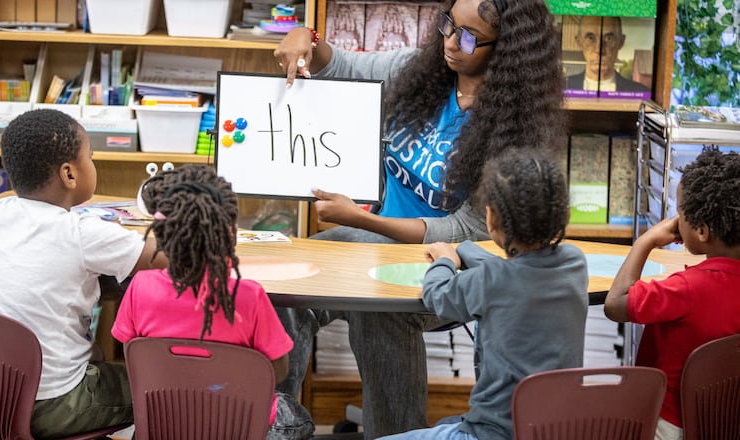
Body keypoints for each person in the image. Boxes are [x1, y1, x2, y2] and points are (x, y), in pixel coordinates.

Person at [273, 0, 567, 437]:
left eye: (469, 37)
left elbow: (465, 231)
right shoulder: (422, 70)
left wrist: (364, 221)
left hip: (445, 265)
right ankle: (280, 424)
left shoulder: (515, 129)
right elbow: (347, 67)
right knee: (286, 288)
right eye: (449, 24)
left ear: (506, 49)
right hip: (367, 246)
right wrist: (309, 42)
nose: (450, 42)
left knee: (379, 308)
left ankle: (394, 432)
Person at [0, 108, 167, 438]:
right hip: (54, 404)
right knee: (167, 388)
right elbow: (168, 257)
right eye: (91, 157)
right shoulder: (82, 234)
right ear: (69, 175)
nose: (93, 164)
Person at [379, 149, 588, 440]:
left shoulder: (492, 280)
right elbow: (517, 275)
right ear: (564, 215)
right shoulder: (574, 263)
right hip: (550, 430)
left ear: (491, 219)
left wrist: (445, 261)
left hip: (490, 433)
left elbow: (437, 296)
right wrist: (464, 248)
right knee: (446, 423)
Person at [111, 164, 315, 440]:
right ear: (230, 235)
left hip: (164, 426)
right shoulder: (249, 296)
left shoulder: (139, 287)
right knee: (294, 414)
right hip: (239, 429)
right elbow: (277, 372)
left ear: (161, 233)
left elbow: (134, 357)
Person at [604, 148, 740, 440]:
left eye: (680, 212)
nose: (676, 220)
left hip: (669, 422)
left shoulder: (685, 289)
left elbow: (615, 305)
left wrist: (646, 241)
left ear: (702, 231)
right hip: (724, 421)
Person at [565, 16, 650, 93]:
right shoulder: (560, 88)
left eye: (608, 38)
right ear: (579, 42)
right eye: (590, 38)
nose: (599, 50)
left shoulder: (640, 92)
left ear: (621, 42)